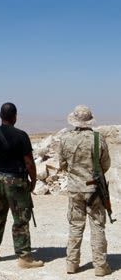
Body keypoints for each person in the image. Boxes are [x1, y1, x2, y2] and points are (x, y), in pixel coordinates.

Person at [0, 102, 44, 268]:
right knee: (21, 218)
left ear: (0, 116)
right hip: (16, 182)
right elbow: (29, 162)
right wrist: (34, 180)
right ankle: (24, 257)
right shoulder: (21, 135)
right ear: (15, 116)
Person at [59, 105, 111, 277]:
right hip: (94, 190)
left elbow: (62, 164)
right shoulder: (98, 139)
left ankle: (72, 264)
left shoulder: (65, 138)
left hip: (74, 189)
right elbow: (105, 165)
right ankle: (100, 266)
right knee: (97, 226)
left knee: (75, 226)